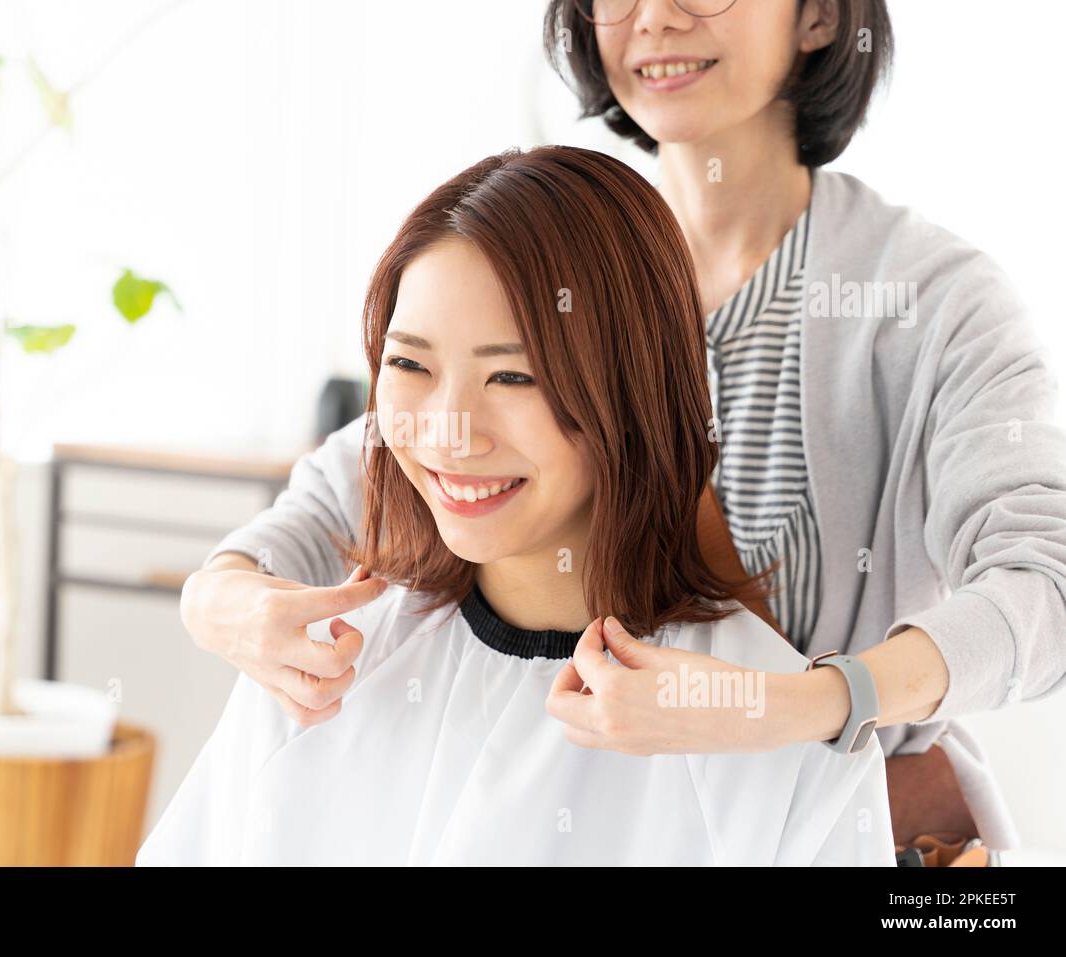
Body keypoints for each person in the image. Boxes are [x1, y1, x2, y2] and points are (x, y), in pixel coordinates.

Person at [179, 0, 1066, 853]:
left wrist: (803, 705)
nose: (655, 18)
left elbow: (1045, 588)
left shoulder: (931, 304)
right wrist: (220, 598)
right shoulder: (548, 252)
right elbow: (355, 486)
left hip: (861, 830)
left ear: (822, 14)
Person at [136, 146, 895, 866]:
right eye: (408, 364)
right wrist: (215, 590)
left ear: (634, 392)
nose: (448, 430)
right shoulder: (315, 666)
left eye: (514, 376)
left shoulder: (769, 730)